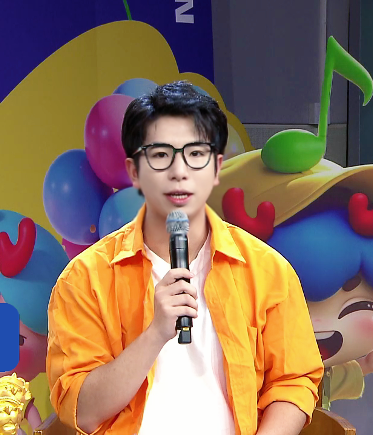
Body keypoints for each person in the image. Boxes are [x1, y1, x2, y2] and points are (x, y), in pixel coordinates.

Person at [46, 81, 324, 435]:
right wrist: (155, 333)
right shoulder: (84, 279)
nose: (179, 171)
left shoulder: (268, 270)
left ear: (217, 167)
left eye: (195, 154)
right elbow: (81, 410)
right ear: (134, 171)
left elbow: (293, 381)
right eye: (161, 155)